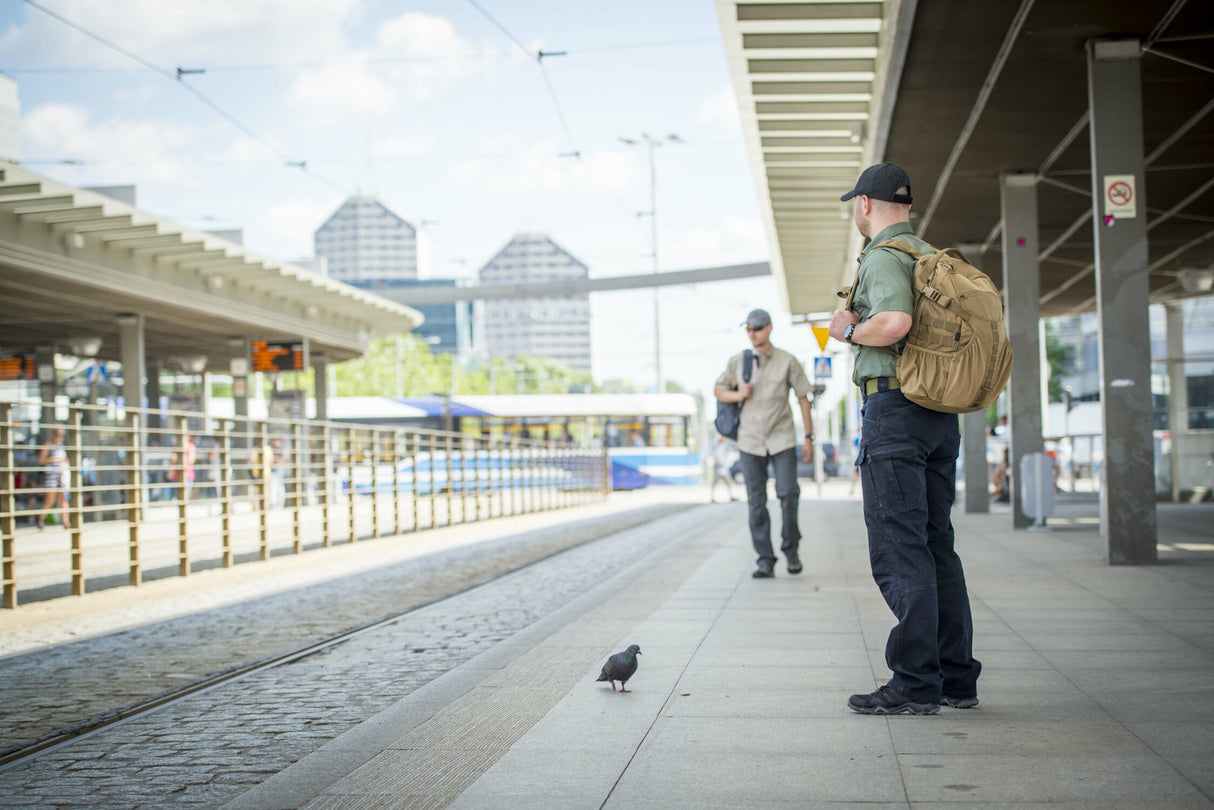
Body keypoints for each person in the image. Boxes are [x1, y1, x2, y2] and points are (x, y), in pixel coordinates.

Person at [829, 162, 981, 715]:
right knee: (938, 544)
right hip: (939, 415)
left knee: (900, 547)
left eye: (855, 205)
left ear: (864, 205)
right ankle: (956, 678)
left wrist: (845, 329)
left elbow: (892, 323)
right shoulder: (927, 256)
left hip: (895, 409)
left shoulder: (885, 258)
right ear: (907, 206)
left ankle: (915, 682)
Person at [714, 308, 814, 578]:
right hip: (749, 440)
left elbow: (804, 397)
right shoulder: (738, 362)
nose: (751, 333)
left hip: (781, 437)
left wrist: (808, 437)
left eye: (756, 328)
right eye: (748, 329)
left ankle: (791, 550)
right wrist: (738, 395)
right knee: (756, 502)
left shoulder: (787, 361)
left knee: (788, 494)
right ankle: (764, 559)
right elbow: (718, 390)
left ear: (768, 328)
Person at [36, 427, 71, 530]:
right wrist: (55, 459)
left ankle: (66, 522)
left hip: (62, 476)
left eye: (62, 436)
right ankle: (40, 520)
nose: (60, 438)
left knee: (63, 500)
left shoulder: (61, 446)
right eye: (58, 435)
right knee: (50, 501)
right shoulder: (48, 444)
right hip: (51, 476)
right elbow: (41, 460)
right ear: (54, 435)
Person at [709, 435, 738, 503]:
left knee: (727, 482)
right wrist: (718, 463)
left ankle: (731, 496)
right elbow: (714, 455)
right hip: (718, 467)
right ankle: (712, 497)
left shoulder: (722, 446)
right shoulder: (715, 445)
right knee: (715, 482)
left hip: (723, 467)